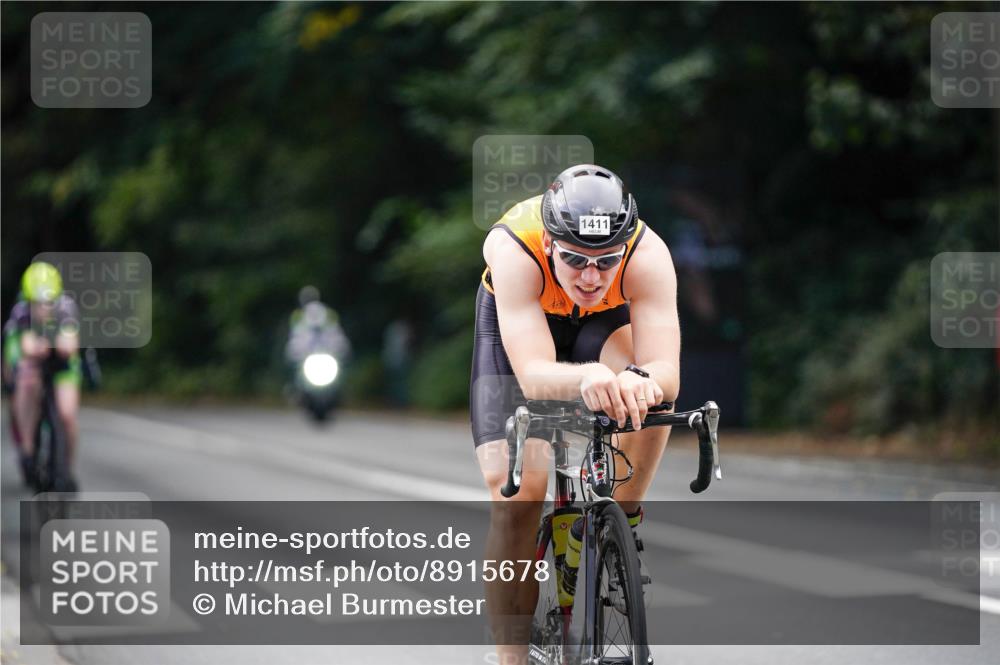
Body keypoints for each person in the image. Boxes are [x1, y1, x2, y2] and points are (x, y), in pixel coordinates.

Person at [471, 164, 680, 663]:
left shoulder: (649, 254)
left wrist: (639, 382)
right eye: (574, 259)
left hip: (599, 329)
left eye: (607, 261)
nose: (590, 276)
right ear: (548, 244)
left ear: (625, 248)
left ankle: (621, 520)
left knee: (651, 399)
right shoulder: (513, 247)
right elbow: (535, 378)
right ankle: (511, 658)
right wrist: (587, 379)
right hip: (521, 335)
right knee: (519, 493)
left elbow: (665, 371)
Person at [3, 261, 82, 490]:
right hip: (34, 365)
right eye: (38, 302)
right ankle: (28, 449)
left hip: (63, 366)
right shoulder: (21, 311)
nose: (43, 307)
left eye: (48, 301)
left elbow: (71, 343)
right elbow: (24, 347)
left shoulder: (66, 308)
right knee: (26, 381)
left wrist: (61, 344)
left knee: (67, 415)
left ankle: (67, 467)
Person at [285, 286, 351, 365]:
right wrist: (294, 353)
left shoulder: (329, 314)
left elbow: (337, 335)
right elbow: (295, 339)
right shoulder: (297, 317)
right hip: (307, 361)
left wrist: (341, 349)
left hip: (328, 360)